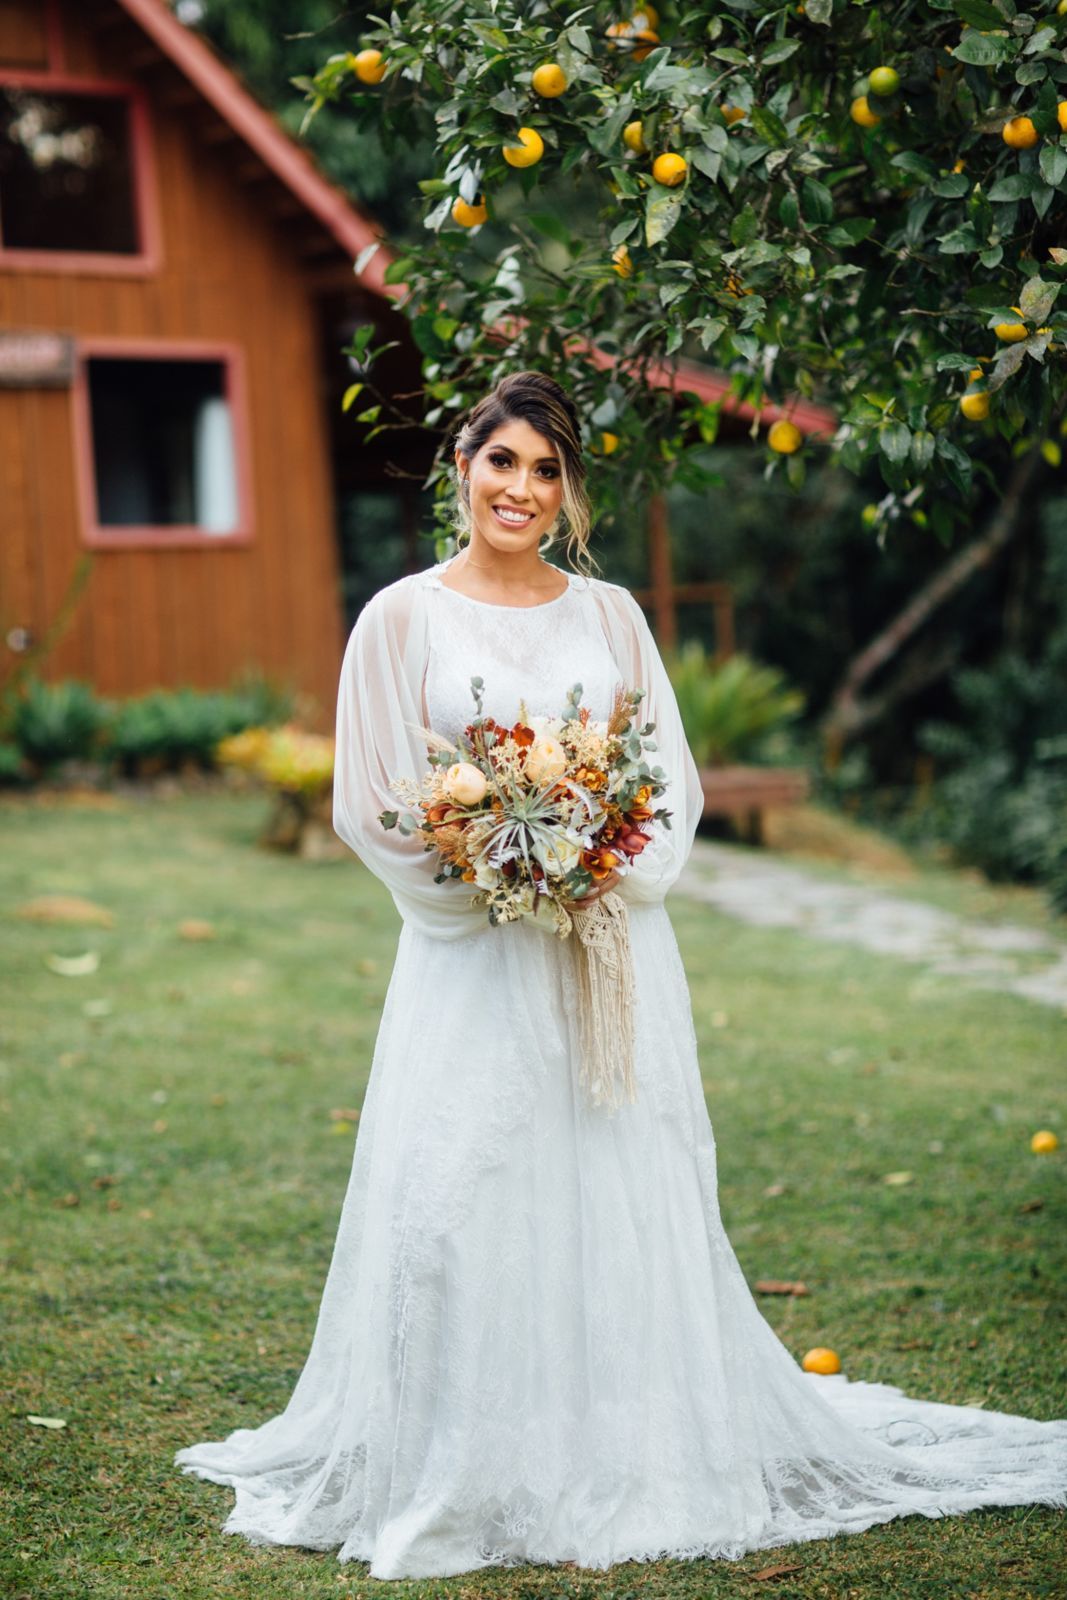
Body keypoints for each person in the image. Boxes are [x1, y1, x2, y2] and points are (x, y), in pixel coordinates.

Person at [174, 370, 1067, 1580]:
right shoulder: (400, 618)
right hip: (469, 962)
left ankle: (627, 1445)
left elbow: (668, 794)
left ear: (567, 490)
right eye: (503, 462)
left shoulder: (609, 618)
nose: (522, 490)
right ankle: (463, 1453)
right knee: (458, 1198)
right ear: (461, 467)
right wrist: (493, 872)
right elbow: (370, 804)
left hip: (607, 953)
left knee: (610, 1181)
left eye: (546, 471)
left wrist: (585, 867)